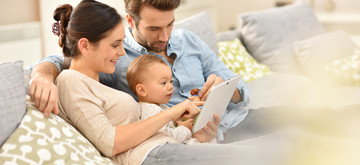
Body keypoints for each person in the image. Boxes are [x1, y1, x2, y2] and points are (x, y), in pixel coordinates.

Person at [51, 0, 293, 165]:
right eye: (115, 44)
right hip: (149, 159)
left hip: (176, 143)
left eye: (170, 25)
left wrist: (194, 133)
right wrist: (174, 112)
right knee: (277, 157)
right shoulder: (75, 79)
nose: (122, 51)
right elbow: (109, 142)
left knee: (292, 138)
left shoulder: (96, 77)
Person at [28, 0, 250, 142]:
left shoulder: (187, 39)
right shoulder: (114, 57)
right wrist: (42, 76)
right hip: (202, 137)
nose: (164, 36)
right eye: (154, 28)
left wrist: (226, 88)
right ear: (131, 21)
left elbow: (241, 89)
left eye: (170, 25)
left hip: (236, 119)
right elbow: (65, 58)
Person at [126, 54, 199, 144]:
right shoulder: (150, 110)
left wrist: (178, 122)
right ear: (142, 90)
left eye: (171, 81)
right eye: (163, 82)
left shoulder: (159, 106)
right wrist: (185, 129)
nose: (170, 87)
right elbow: (164, 137)